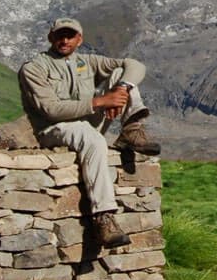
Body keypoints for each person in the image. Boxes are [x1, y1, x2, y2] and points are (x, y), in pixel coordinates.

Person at [17, 17, 161, 248]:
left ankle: (132, 130)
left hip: (88, 123)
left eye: (70, 36)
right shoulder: (34, 68)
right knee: (92, 139)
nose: (65, 40)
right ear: (50, 38)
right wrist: (101, 101)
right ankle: (103, 216)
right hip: (55, 129)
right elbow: (51, 110)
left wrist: (121, 89)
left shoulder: (87, 62)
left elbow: (136, 65)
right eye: (60, 35)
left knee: (121, 75)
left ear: (79, 39)